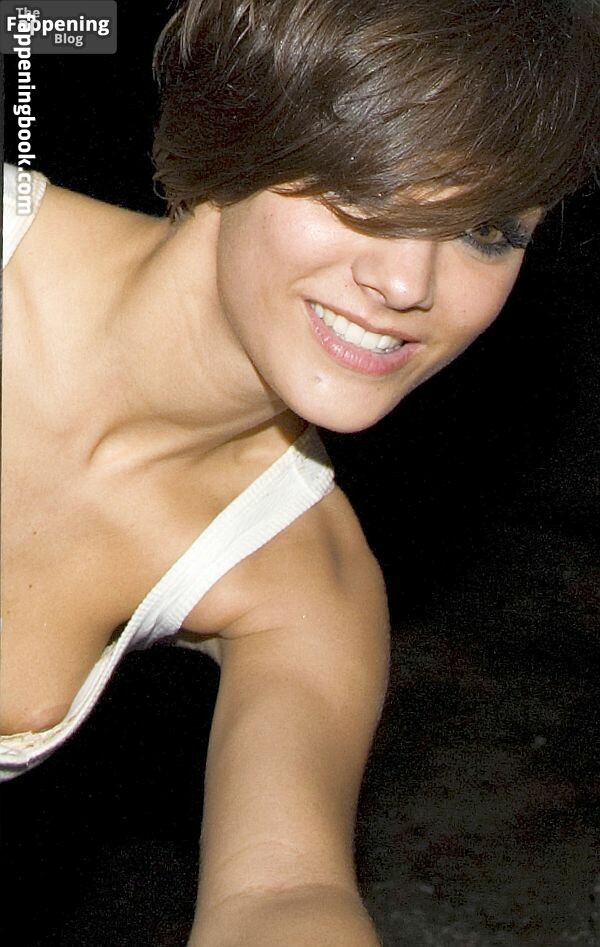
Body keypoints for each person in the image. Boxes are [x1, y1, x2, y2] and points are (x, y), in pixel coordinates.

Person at [1, 1, 598, 944]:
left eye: (485, 229)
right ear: (238, 126)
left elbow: (281, 893)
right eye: (365, 183)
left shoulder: (302, 574)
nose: (407, 284)